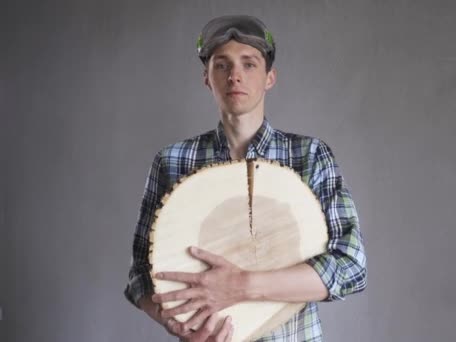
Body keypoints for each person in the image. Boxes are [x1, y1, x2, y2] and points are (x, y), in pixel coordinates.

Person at [124, 15, 367, 341]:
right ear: (207, 78)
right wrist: (177, 324)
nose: (235, 75)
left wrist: (241, 285)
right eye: (221, 65)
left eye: (249, 64)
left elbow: (351, 266)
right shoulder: (173, 160)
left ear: (270, 77)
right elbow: (140, 274)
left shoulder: (309, 155)